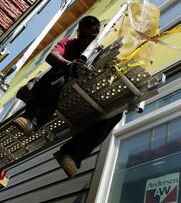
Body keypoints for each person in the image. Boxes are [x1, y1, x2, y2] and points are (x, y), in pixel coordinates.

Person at [13, 15, 123, 179]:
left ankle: (71, 154)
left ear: (98, 34)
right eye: (82, 36)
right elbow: (52, 56)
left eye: (91, 37)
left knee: (116, 112)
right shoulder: (69, 43)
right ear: (78, 33)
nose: (86, 41)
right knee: (60, 71)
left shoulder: (102, 45)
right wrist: (68, 65)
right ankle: (33, 118)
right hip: (59, 88)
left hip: (87, 95)